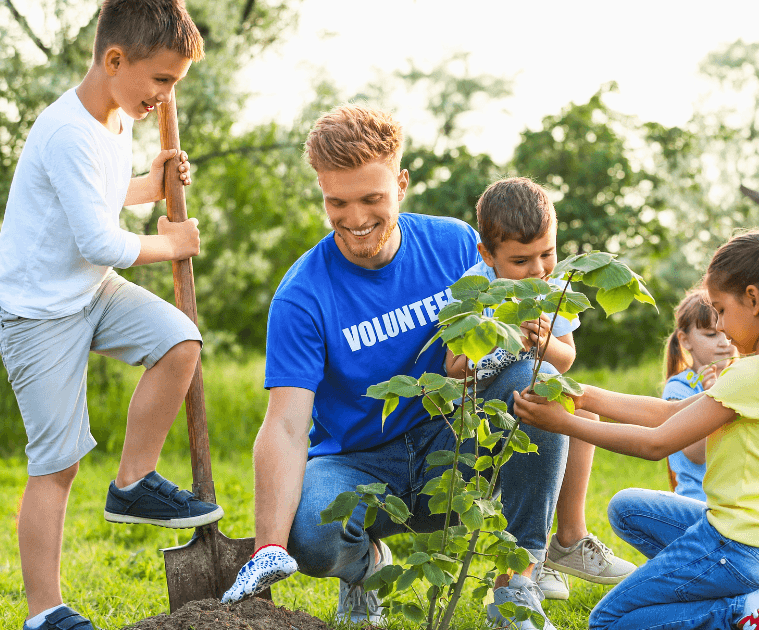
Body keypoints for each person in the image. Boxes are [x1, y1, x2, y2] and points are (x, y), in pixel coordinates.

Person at [220, 106, 567, 630]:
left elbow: (528, 331)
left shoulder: (454, 247)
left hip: (452, 439)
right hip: (358, 462)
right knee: (310, 532)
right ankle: (367, 571)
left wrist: (492, 357)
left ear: (401, 184)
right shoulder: (302, 296)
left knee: (540, 385)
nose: (355, 218)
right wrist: (268, 546)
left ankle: (517, 583)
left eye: (371, 199)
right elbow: (287, 425)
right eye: (336, 201)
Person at [0, 2, 214, 629]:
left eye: (174, 84)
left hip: (88, 291)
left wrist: (151, 179)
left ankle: (133, 481)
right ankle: (45, 613)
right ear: (115, 60)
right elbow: (100, 241)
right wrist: (173, 243)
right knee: (56, 462)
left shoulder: (117, 116)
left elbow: (103, 196)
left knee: (179, 341)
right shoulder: (65, 130)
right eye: (161, 81)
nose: (165, 97)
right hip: (36, 311)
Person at [514, 229, 759, 630]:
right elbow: (672, 411)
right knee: (627, 509)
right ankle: (743, 592)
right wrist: (582, 396)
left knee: (608, 621)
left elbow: (656, 443)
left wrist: (563, 422)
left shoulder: (752, 374)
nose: (718, 324)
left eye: (720, 310)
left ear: (752, 298)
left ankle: (745, 611)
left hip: (741, 544)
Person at [443, 177, 636, 602]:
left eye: (547, 254)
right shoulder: (473, 292)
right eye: (520, 260)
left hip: (530, 405)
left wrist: (546, 343)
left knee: (578, 407)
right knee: (549, 393)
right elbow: (454, 368)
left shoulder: (552, 289)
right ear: (487, 256)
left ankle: (562, 543)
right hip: (477, 418)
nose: (537, 270)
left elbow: (565, 358)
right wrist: (503, 334)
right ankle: (527, 565)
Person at [660, 289, 736, 501]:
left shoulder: (741, 378)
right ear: (685, 340)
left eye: (727, 331)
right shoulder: (679, 389)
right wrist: (713, 395)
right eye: (711, 334)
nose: (724, 342)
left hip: (737, 505)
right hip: (697, 503)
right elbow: (696, 453)